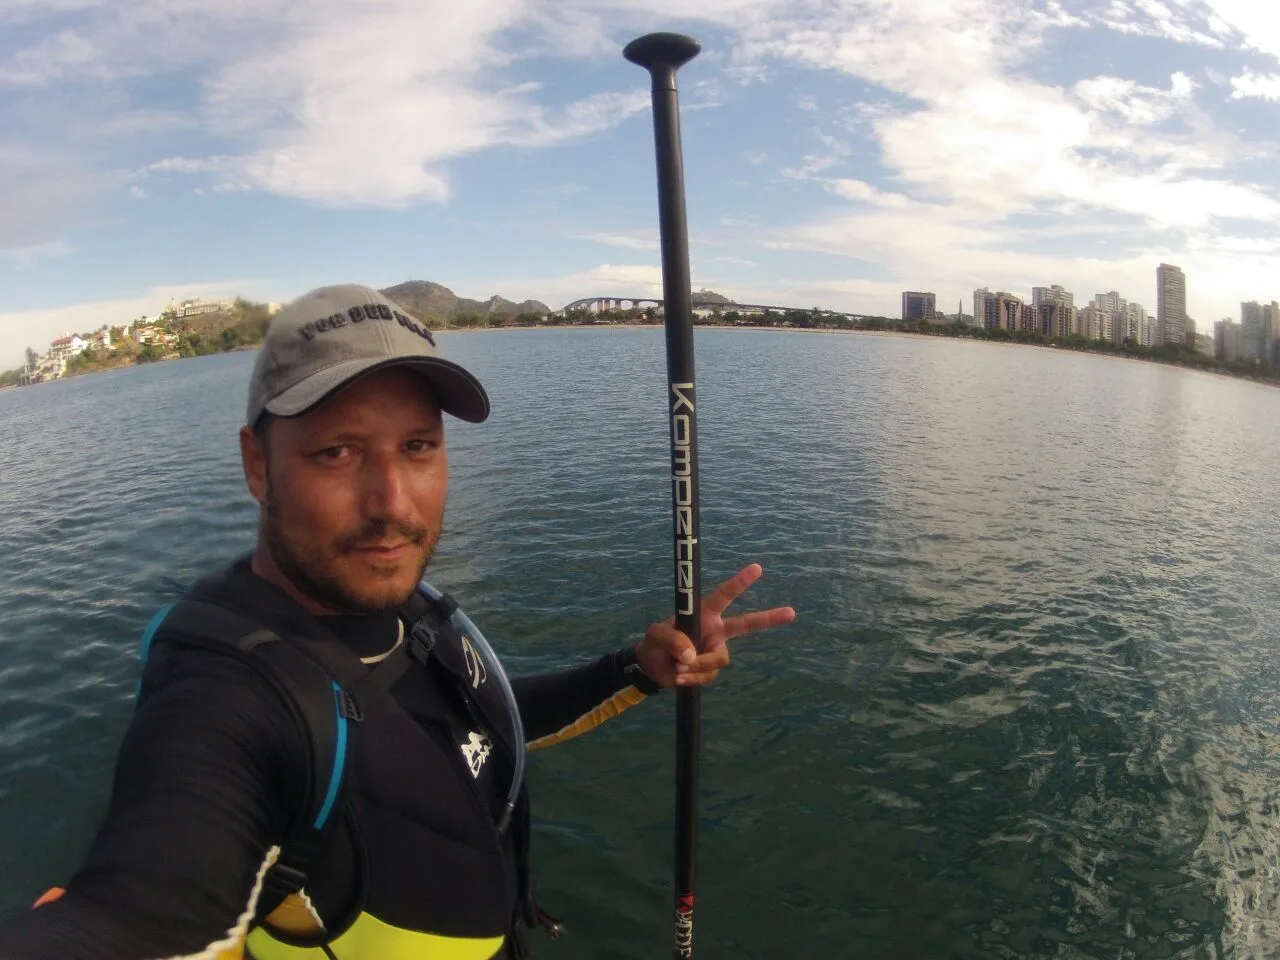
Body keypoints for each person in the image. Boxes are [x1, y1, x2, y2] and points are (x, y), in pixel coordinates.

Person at [0, 284, 795, 960]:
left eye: (418, 446)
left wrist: (637, 668)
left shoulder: (400, 611)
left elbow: (478, 725)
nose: (392, 503)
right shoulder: (229, 692)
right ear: (256, 464)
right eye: (337, 454)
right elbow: (140, 899)